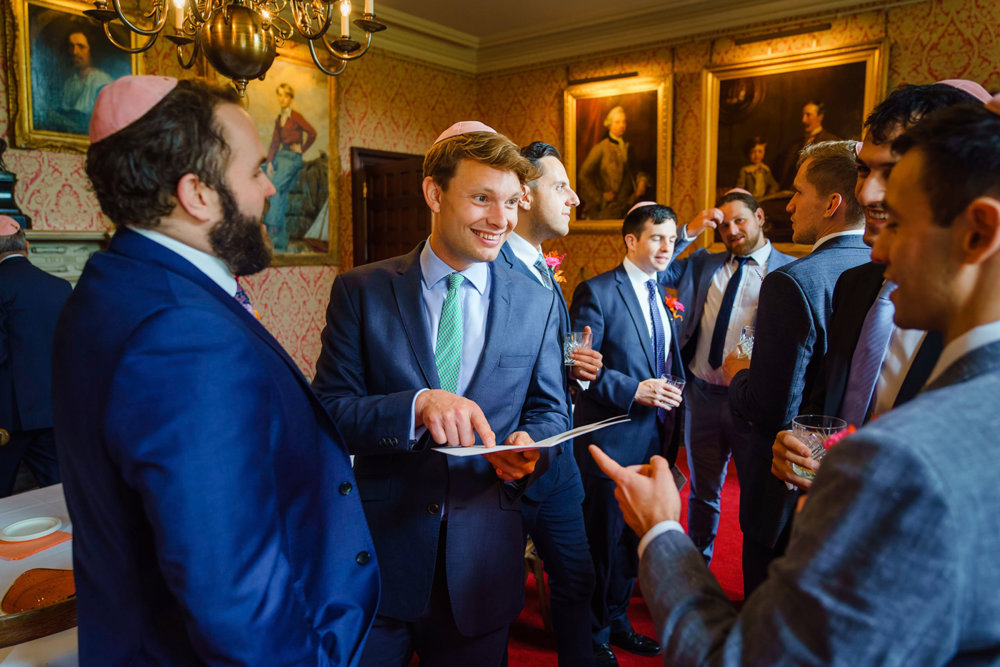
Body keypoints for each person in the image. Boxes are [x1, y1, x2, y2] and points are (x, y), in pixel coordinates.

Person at [589, 95, 1000, 667]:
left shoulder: (902, 464)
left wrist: (660, 529)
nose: (874, 245)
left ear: (978, 233)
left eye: (896, 222)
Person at [51, 75, 378, 665]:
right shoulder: (183, 334)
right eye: (255, 171)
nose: (270, 192)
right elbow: (234, 597)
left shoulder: (109, 286)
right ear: (197, 194)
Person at [312, 121, 570, 667]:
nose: (501, 220)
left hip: (483, 563)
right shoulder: (361, 291)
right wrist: (415, 406)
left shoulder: (537, 300)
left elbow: (550, 410)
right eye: (481, 199)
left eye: (509, 202)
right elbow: (328, 411)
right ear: (434, 193)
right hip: (378, 558)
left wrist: (533, 445)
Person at [771, 82, 984, 488]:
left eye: (894, 171)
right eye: (864, 169)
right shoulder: (855, 285)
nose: (866, 192)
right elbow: (828, 404)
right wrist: (802, 447)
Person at [721, 140, 869, 595]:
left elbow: (770, 407)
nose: (788, 204)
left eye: (798, 192)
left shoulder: (794, 281)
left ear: (832, 203)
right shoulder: (879, 267)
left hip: (785, 487)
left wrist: (737, 373)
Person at [570, 202, 686, 666]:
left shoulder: (662, 293)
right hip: (610, 437)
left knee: (629, 544)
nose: (665, 247)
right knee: (602, 540)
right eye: (656, 237)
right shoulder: (596, 291)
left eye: (672, 240)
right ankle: (593, 635)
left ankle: (617, 620)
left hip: (655, 436)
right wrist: (632, 388)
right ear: (631, 241)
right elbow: (576, 365)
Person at [498, 141, 600, 667]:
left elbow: (542, 362)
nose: (575, 199)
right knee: (492, 599)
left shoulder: (543, 267)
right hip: (506, 461)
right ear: (524, 194)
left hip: (557, 456)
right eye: (562, 187)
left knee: (577, 579)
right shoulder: (490, 266)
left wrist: (574, 368)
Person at [657, 191, 794, 562]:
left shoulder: (789, 270)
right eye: (723, 224)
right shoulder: (705, 262)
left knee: (754, 491)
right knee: (703, 492)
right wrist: (689, 230)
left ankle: (755, 572)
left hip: (752, 401)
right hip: (701, 395)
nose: (731, 230)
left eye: (740, 220)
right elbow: (659, 269)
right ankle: (697, 563)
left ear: (760, 217)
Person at [0, 216, 71, 497]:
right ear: (25, 245)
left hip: (7, 418)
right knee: (58, 494)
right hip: (53, 410)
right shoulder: (59, 286)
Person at [263, 82, 317, 251]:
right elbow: (274, 142)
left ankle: (271, 231)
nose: (282, 99)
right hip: (281, 156)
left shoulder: (295, 116)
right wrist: (270, 161)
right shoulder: (279, 119)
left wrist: (302, 149)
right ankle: (281, 241)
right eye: (279, 95)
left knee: (274, 188)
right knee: (279, 192)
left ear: (291, 98)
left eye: (285, 95)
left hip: (293, 158)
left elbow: (312, 133)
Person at [578, 106, 649, 219]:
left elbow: (636, 170)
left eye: (624, 122)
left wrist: (641, 182)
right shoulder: (601, 148)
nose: (622, 125)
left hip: (629, 205)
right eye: (617, 122)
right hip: (609, 209)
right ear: (609, 125)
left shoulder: (628, 147)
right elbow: (584, 175)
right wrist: (601, 197)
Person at [777, 101, 839, 189]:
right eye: (803, 115)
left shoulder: (831, 142)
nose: (804, 120)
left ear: (820, 117)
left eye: (808, 115)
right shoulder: (796, 144)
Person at [60, 30, 112, 133]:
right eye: (72, 46)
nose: (75, 52)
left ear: (91, 51)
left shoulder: (102, 81)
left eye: (81, 47)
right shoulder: (70, 82)